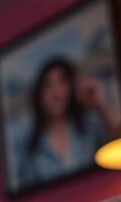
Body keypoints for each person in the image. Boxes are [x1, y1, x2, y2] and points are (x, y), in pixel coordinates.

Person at [16, 56, 121, 189]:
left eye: (62, 82)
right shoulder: (30, 146)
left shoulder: (90, 125)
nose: (56, 92)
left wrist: (99, 104)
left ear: (71, 88)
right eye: (48, 84)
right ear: (39, 94)